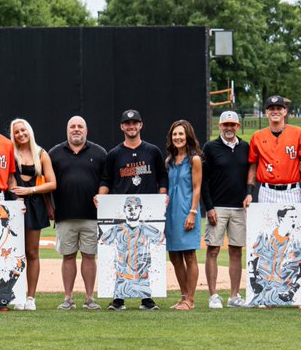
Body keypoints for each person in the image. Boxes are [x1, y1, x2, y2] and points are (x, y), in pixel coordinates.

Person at [96, 109, 165, 311]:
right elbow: (106, 179)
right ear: (122, 127)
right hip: (120, 211)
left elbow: (162, 177)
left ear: (141, 125)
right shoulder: (115, 154)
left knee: (144, 255)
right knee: (122, 255)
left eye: (135, 123)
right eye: (127, 123)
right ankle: (118, 299)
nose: (131, 126)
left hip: (148, 211)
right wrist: (100, 197)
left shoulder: (152, 151)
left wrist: (162, 198)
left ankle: (146, 299)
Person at [48, 116, 106, 311]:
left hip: (92, 215)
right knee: (68, 256)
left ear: (86, 131)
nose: (76, 129)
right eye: (72, 126)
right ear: (67, 131)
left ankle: (89, 298)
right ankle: (68, 298)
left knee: (89, 256)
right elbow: (46, 183)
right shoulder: (54, 153)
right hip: (64, 215)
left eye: (80, 126)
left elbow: (106, 182)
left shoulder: (99, 153)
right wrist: (49, 206)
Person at [201, 111, 249, 309]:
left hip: (239, 207)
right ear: (219, 126)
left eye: (233, 125)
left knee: (236, 251)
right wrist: (209, 207)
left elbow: (250, 174)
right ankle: (213, 295)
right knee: (213, 249)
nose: (229, 128)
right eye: (225, 125)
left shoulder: (245, 147)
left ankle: (234, 296)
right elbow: (204, 180)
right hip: (217, 207)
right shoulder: (210, 147)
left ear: (238, 126)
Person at [8, 118, 56, 311]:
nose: (20, 134)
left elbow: (52, 183)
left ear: (29, 131)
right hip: (14, 205)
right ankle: (15, 294)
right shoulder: (10, 153)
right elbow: (9, 178)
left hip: (34, 205)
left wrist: (30, 191)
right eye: (17, 132)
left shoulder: (41, 153)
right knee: (12, 253)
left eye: (23, 130)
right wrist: (15, 195)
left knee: (32, 252)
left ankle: (30, 297)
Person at [245, 95, 301, 209]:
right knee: (267, 227)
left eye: (279, 108)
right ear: (266, 112)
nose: (275, 111)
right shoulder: (257, 136)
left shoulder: (298, 133)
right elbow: (253, 166)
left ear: (285, 111)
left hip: (291, 191)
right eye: (271, 108)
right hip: (266, 192)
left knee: (292, 226)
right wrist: (249, 192)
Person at [98, 196, 163, 310]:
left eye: (136, 207)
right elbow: (102, 241)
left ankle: (146, 300)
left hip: (142, 278)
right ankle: (118, 300)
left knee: (145, 290)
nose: (132, 211)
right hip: (122, 278)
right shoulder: (117, 229)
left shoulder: (147, 229)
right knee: (119, 293)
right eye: (129, 207)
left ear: (140, 209)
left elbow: (161, 239)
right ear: (124, 209)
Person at [165, 119, 204, 310]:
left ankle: (191, 299)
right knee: (174, 256)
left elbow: (197, 189)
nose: (178, 137)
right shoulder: (169, 161)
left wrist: (192, 212)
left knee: (189, 255)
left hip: (187, 211)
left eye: (181, 134)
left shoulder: (194, 160)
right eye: (175, 134)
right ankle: (183, 297)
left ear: (187, 135)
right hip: (170, 213)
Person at [248, 206, 301, 307]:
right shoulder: (265, 236)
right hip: (262, 290)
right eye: (291, 217)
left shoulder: (299, 243)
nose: (294, 220)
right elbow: (252, 259)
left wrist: (292, 291)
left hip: (283, 292)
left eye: (295, 217)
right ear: (281, 219)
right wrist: (252, 281)